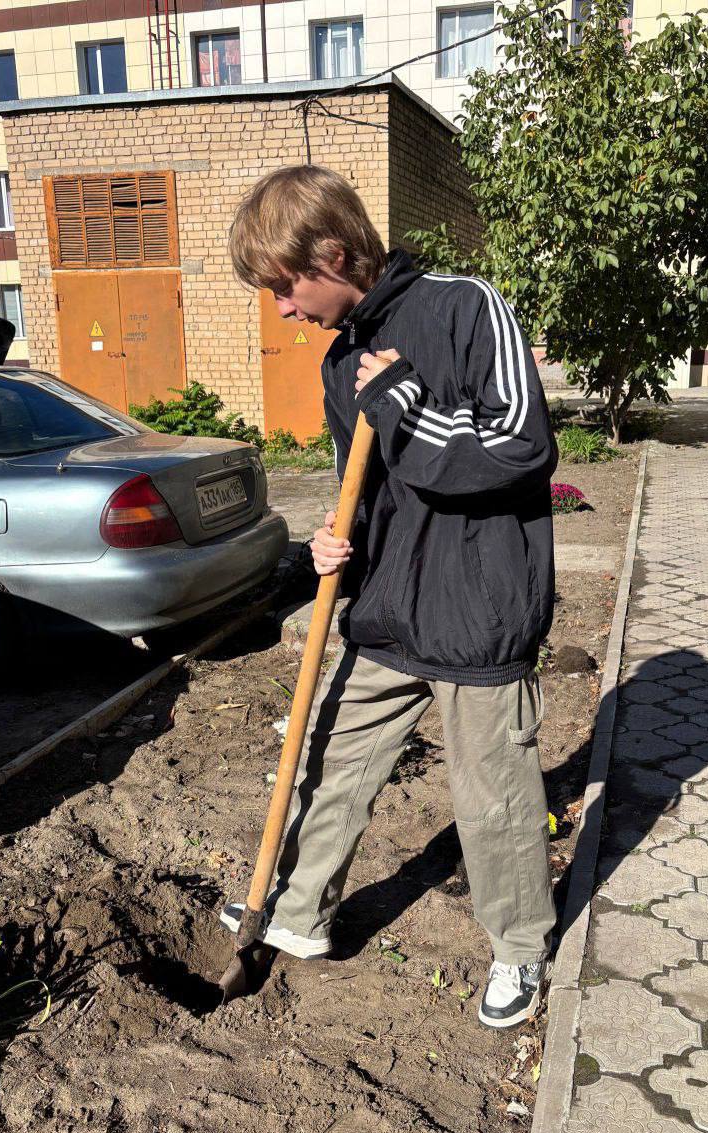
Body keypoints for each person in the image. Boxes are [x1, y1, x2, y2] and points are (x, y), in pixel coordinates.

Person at [221, 166, 558, 1029]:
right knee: (329, 758)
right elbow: (361, 485)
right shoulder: (343, 361)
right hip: (385, 610)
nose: (283, 311)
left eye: (284, 288)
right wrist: (341, 539)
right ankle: (297, 913)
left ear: (332, 254)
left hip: (477, 609)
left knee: (494, 803)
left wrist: (403, 404)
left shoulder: (463, 307)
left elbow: (520, 449)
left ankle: (519, 948)